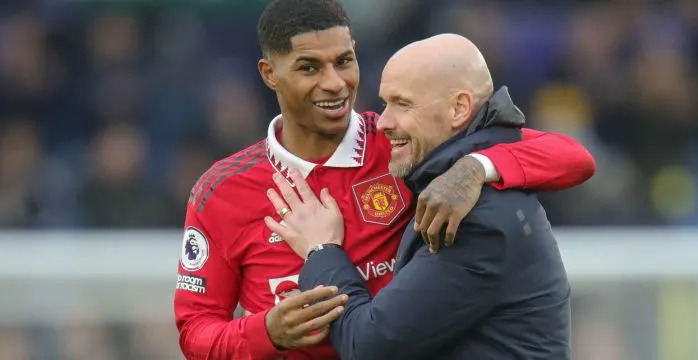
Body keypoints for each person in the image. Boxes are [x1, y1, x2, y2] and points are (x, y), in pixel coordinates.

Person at [174, 0, 594, 359]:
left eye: (344, 61)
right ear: (270, 74)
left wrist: (474, 169)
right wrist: (266, 333)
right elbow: (195, 331)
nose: (334, 83)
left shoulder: (403, 147)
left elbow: (571, 156)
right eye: (309, 67)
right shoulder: (222, 191)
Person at [266, 34, 573, 360]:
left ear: (459, 108)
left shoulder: (472, 216)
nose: (383, 122)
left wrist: (321, 249)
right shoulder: (463, 183)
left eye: (402, 103)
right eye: (385, 103)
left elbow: (368, 346)